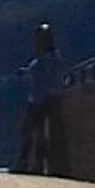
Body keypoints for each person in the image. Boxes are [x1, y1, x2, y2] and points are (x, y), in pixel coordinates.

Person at [16, 20, 65, 174]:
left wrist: (24, 73)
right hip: (51, 98)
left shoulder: (45, 59)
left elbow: (39, 74)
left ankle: (25, 164)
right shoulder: (54, 58)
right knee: (41, 133)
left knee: (28, 131)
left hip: (39, 100)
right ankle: (39, 165)